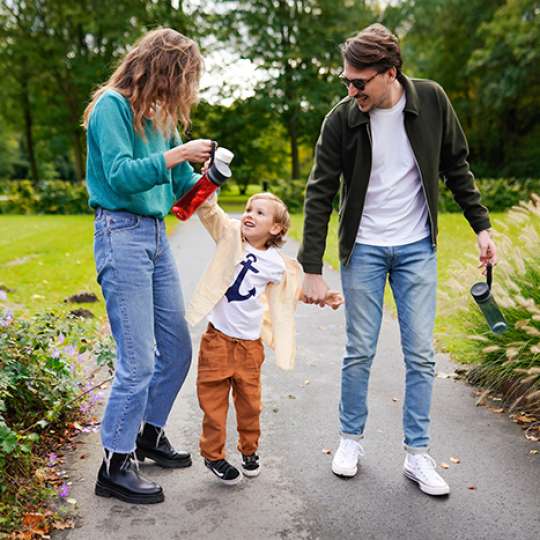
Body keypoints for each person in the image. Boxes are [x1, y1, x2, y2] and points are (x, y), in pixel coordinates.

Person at [298, 23, 497, 496]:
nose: (350, 90)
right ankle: (350, 440)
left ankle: (418, 454)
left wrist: (481, 225)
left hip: (415, 249)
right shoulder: (341, 119)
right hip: (362, 249)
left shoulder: (431, 100)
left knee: (421, 354)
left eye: (358, 81)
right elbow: (319, 193)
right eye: (346, 80)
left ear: (390, 73)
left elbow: (456, 166)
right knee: (360, 350)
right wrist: (310, 268)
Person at [82, 28, 214, 504]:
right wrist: (177, 153)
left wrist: (209, 177)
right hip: (120, 234)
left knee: (176, 350)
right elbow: (119, 174)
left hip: (157, 239)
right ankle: (114, 464)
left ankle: (148, 434)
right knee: (137, 361)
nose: (185, 91)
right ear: (161, 68)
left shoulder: (160, 117)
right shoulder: (111, 107)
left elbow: (181, 193)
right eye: (184, 78)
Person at [186, 193, 343, 485]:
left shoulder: (276, 264)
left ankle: (249, 450)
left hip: (249, 346)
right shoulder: (230, 237)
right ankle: (214, 455)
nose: (249, 214)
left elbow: (292, 291)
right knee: (213, 404)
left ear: (276, 229)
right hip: (217, 341)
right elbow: (211, 213)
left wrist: (324, 297)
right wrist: (209, 185)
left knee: (250, 406)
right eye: (248, 209)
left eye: (260, 212)